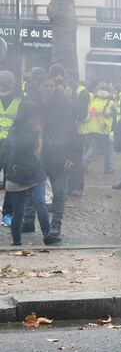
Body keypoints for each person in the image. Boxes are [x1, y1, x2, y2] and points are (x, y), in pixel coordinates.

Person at [20, 68, 81, 239]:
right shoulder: (31, 105)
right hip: (38, 155)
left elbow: (72, 131)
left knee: (59, 193)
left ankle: (56, 226)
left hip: (60, 156)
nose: (50, 88)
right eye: (46, 85)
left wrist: (72, 155)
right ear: (38, 87)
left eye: (52, 85)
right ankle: (29, 219)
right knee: (32, 189)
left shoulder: (62, 105)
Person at [5, 69, 61, 245]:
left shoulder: (39, 129)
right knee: (19, 211)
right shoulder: (15, 130)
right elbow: (17, 146)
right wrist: (33, 135)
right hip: (17, 174)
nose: (36, 119)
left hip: (36, 173)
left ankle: (47, 235)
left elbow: (48, 149)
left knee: (40, 203)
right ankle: (16, 241)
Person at [0, 70, 22, 227]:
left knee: (9, 179)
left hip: (11, 144)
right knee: (9, 179)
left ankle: (7, 213)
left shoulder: (20, 100)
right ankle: (7, 213)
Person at [81, 82, 116, 175]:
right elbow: (111, 114)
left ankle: (84, 165)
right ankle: (108, 168)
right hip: (104, 128)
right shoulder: (110, 102)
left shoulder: (95, 100)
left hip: (93, 127)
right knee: (107, 149)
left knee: (94, 147)